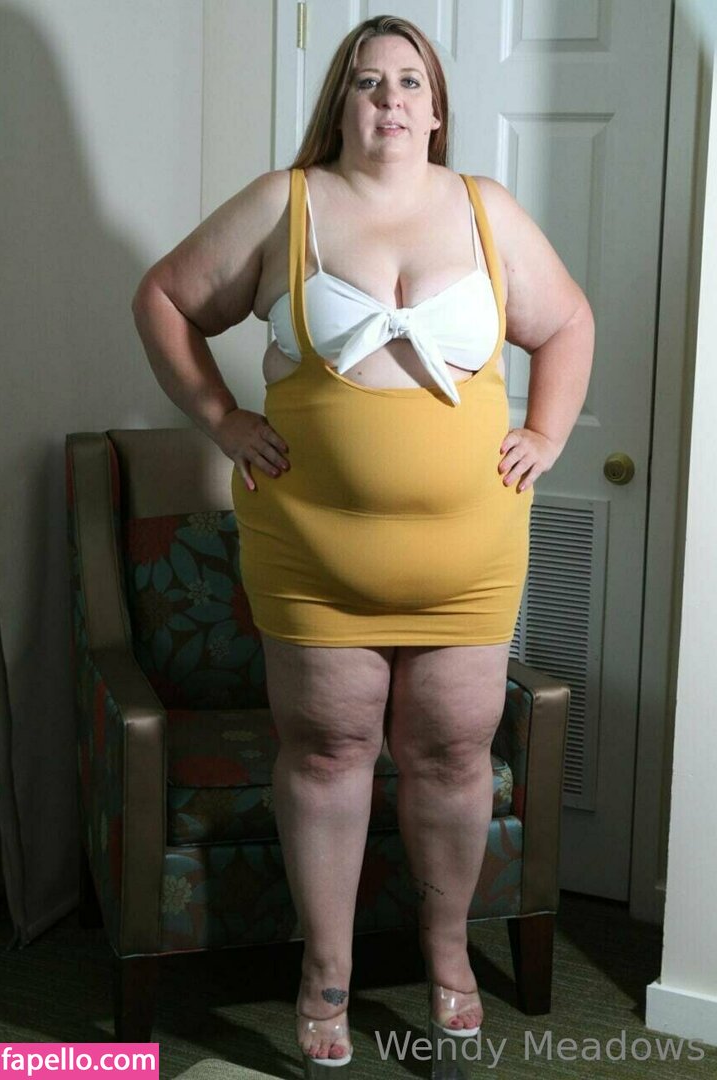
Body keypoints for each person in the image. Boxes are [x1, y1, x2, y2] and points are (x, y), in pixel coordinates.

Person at [131, 13, 594, 1074]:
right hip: (314, 557)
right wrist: (221, 419)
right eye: (368, 80)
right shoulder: (284, 203)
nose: (390, 98)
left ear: (436, 109)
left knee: (454, 755)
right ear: (340, 102)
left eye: (410, 81)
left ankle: (449, 958)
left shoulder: (486, 210)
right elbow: (162, 298)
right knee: (329, 754)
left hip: (468, 559)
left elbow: (568, 322)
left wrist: (546, 434)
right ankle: (325, 974)